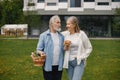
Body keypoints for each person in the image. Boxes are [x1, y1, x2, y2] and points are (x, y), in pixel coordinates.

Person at [36, 15, 64, 80]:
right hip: (48, 66)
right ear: (51, 23)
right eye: (57, 22)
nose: (59, 24)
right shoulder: (43, 36)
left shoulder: (61, 36)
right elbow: (38, 50)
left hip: (59, 66)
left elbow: (63, 49)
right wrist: (41, 53)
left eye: (60, 22)